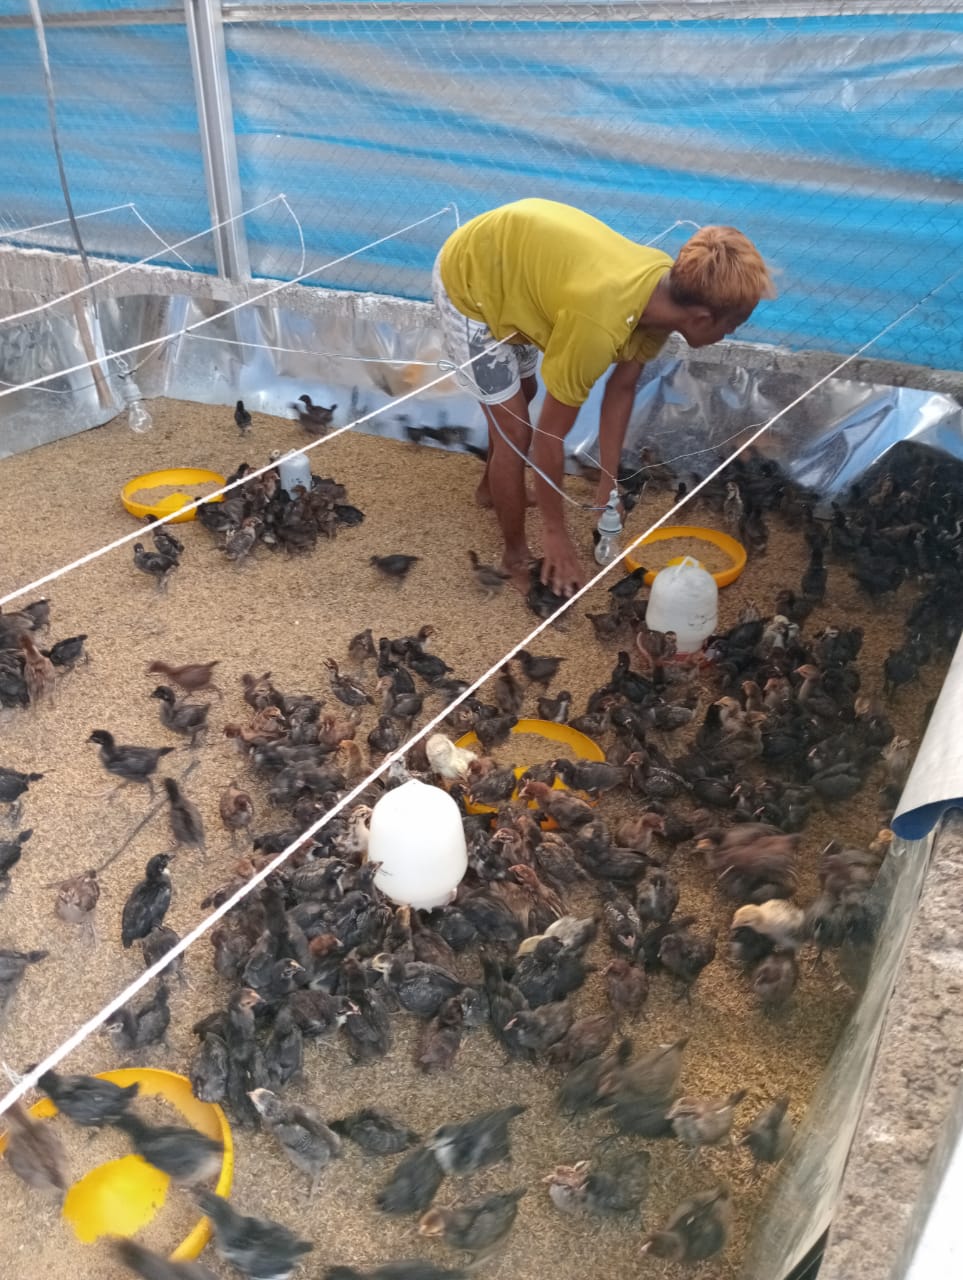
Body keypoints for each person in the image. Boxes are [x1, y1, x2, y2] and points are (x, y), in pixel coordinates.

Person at [433, 197, 775, 597]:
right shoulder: (597, 326)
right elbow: (549, 438)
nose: (730, 334)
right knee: (515, 433)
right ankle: (515, 555)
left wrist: (607, 487)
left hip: (516, 271)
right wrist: (555, 534)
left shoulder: (661, 298)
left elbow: (621, 388)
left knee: (525, 392)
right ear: (701, 318)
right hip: (473, 278)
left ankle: (491, 489)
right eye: (732, 326)